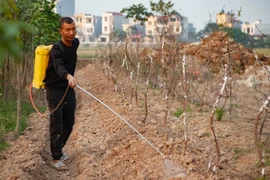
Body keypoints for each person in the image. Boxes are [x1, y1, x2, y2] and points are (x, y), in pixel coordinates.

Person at [43, 17, 79, 170]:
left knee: (69, 122)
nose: (71, 33)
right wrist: (68, 76)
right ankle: (56, 157)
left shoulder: (75, 43)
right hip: (54, 89)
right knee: (56, 121)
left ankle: (59, 147)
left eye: (73, 29)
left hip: (67, 88)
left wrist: (69, 80)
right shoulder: (56, 49)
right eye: (67, 30)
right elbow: (58, 66)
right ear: (61, 31)